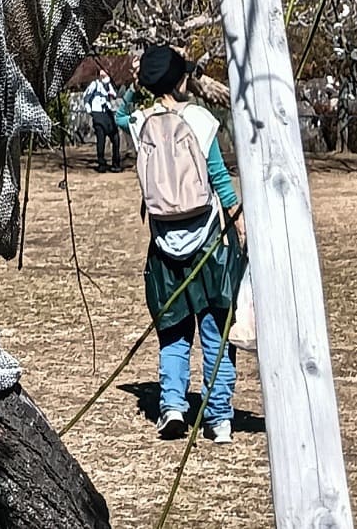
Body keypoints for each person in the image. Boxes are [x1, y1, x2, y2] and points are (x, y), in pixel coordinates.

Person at [129, 42, 245, 448]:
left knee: (173, 332)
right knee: (216, 330)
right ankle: (219, 418)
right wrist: (238, 218)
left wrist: (139, 74)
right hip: (207, 241)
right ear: (181, 80)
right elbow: (218, 177)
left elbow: (128, 98)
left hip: (163, 242)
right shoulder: (199, 119)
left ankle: (173, 406)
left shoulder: (138, 121)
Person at [80, 71, 121, 172]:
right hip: (98, 114)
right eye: (102, 75)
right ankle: (101, 163)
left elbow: (115, 94)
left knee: (115, 138)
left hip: (108, 113)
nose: (105, 77)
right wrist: (90, 110)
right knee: (101, 140)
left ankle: (116, 164)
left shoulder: (108, 85)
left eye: (106, 74)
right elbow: (86, 97)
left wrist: (110, 89)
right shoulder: (94, 84)